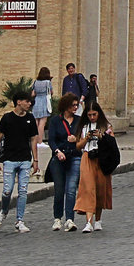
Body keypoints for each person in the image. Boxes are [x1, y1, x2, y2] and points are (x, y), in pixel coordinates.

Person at [0, 88, 37, 233]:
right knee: (7, 190)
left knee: (23, 191)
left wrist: (35, 160)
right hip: (9, 159)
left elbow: (33, 140)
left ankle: (19, 220)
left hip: (24, 159)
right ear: (18, 102)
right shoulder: (7, 118)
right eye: (27, 101)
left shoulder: (30, 119)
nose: (29, 103)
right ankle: (4, 211)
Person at [73, 101, 113, 232]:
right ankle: (88, 222)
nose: (92, 117)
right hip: (87, 157)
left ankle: (98, 220)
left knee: (100, 188)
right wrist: (86, 138)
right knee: (88, 188)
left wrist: (101, 136)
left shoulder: (106, 126)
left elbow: (112, 143)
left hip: (101, 159)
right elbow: (78, 146)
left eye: (94, 114)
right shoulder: (83, 126)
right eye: (89, 115)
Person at [45, 93, 82, 230]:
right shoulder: (55, 121)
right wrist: (57, 152)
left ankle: (70, 219)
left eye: (77, 105)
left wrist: (76, 140)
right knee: (59, 190)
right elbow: (51, 140)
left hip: (75, 156)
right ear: (66, 106)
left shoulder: (79, 120)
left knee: (71, 189)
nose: (76, 107)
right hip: (59, 156)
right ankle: (57, 218)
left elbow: (84, 138)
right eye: (73, 105)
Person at [31, 66, 55, 155]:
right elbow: (51, 92)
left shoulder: (36, 82)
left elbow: (33, 93)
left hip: (36, 102)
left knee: (35, 122)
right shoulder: (47, 82)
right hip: (44, 101)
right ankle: (40, 142)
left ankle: (34, 140)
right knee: (42, 123)